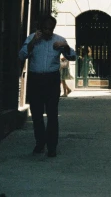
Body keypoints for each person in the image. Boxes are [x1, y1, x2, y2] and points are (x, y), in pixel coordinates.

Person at [18, 14, 76, 156]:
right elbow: (21, 55)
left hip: (51, 79)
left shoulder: (59, 40)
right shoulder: (33, 38)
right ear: (40, 28)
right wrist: (32, 43)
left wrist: (65, 47)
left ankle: (52, 146)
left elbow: (73, 56)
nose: (48, 32)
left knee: (52, 113)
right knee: (37, 113)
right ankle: (40, 142)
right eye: (45, 29)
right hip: (35, 78)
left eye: (50, 29)